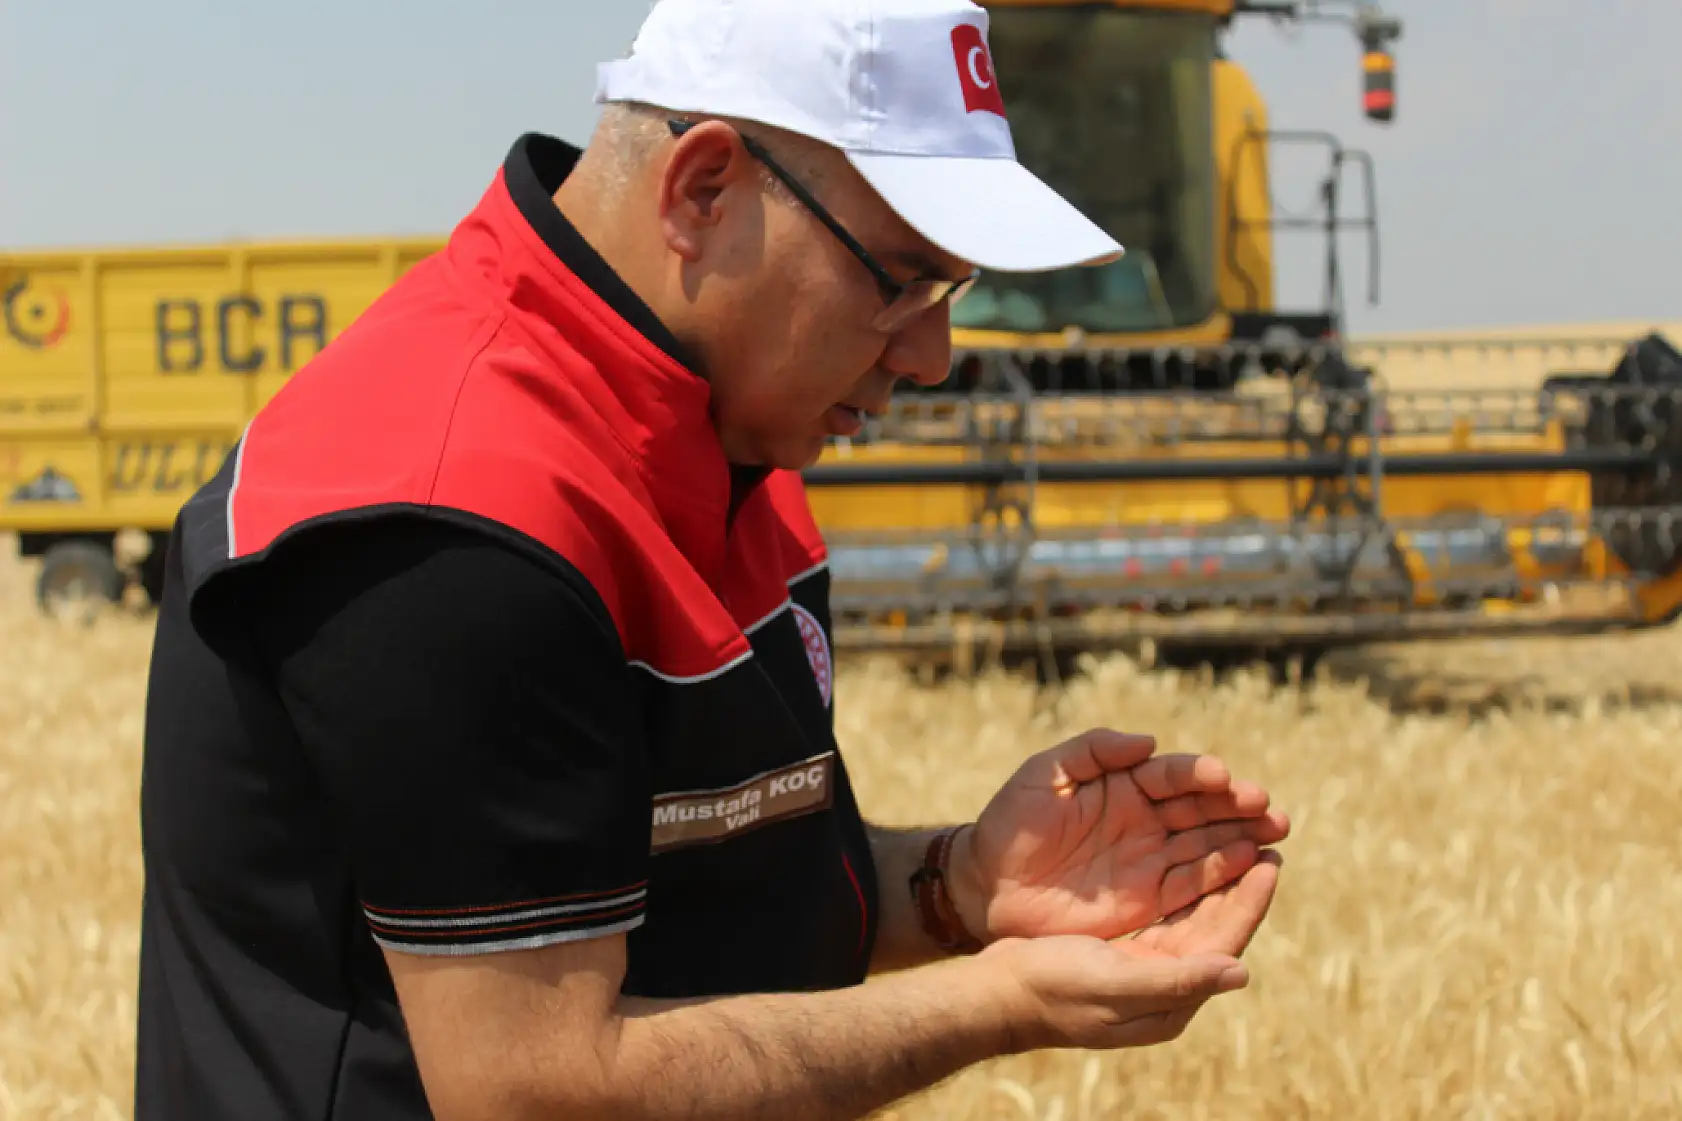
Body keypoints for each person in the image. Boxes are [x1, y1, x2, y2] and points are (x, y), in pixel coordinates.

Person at [131, 0, 1291, 1118]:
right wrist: (995, 1002)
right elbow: (537, 1088)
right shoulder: (453, 515)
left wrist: (956, 886)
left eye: (956, 288)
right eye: (902, 280)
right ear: (702, 187)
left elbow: (705, 888)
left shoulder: (731, 440)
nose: (934, 353)